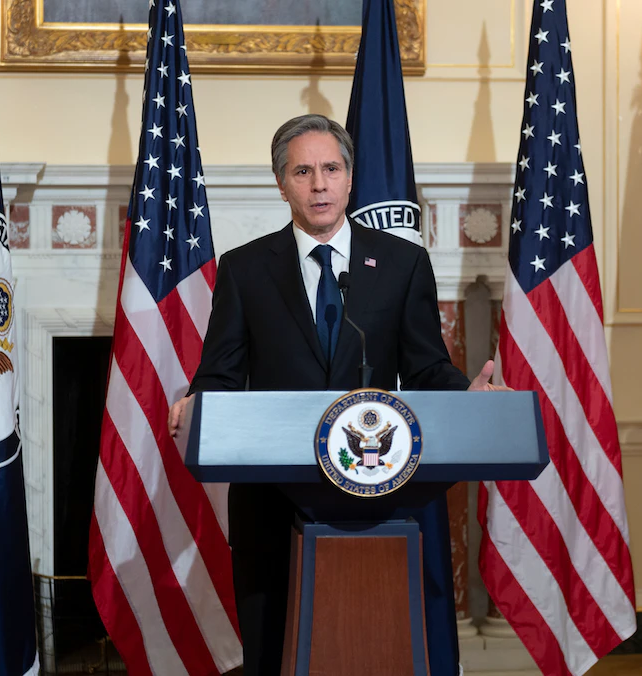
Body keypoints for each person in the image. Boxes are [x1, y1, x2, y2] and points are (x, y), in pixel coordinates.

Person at [168, 114, 505, 675]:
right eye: (303, 171)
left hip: (376, 496)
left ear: (350, 178)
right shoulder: (245, 269)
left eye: (331, 168)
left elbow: (426, 367)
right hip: (274, 503)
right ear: (282, 184)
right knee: (275, 653)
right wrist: (196, 402)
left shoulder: (401, 263)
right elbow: (221, 373)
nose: (319, 184)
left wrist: (466, 395)